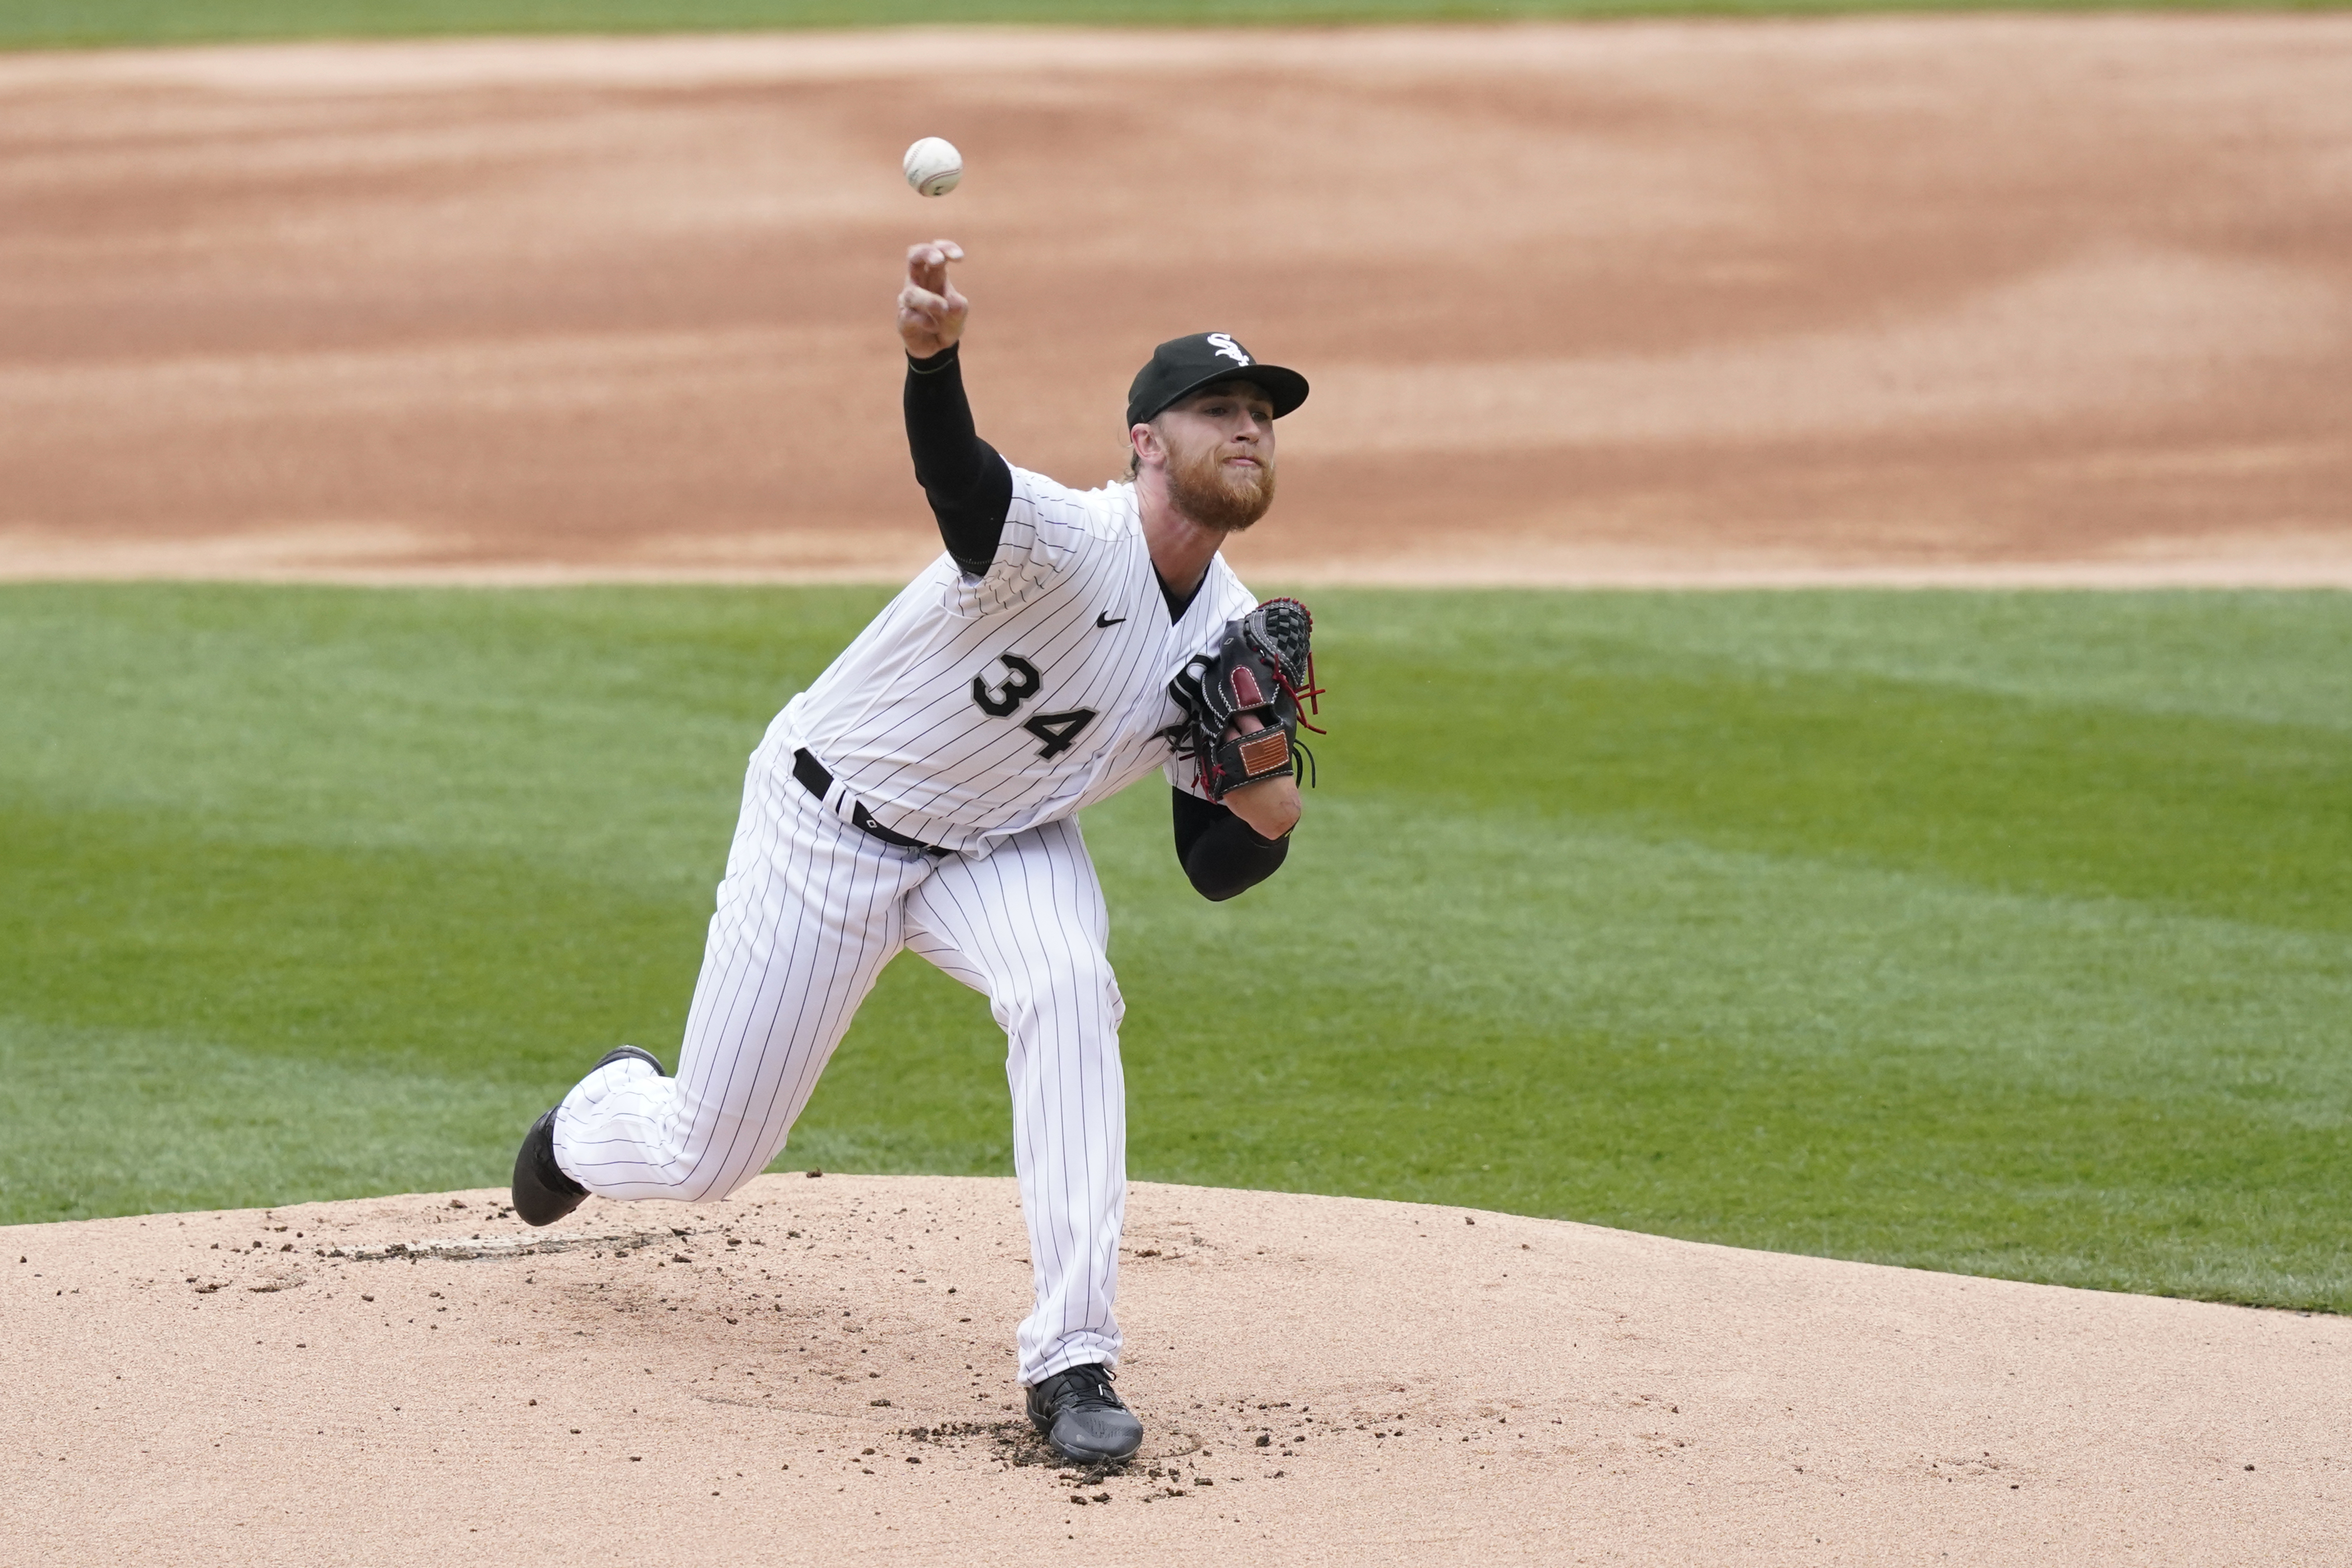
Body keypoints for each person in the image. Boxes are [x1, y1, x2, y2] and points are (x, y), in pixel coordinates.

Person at [509, 239, 1312, 1466]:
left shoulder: (1231, 631)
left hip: (1002, 842)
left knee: (1067, 989)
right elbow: (961, 482)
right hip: (828, 824)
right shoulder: (1062, 534)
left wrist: (1268, 789)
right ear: (1146, 439)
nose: (1246, 429)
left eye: (1261, 414)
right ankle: (593, 1116)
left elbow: (1218, 863)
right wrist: (931, 362)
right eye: (1218, 410)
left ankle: (1072, 1360)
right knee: (706, 1154)